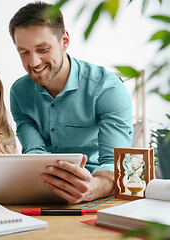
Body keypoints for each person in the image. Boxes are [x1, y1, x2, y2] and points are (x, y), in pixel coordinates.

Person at [9, 2, 133, 203]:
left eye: (42, 49)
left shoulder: (107, 89)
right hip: (42, 194)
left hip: (99, 195)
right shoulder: (19, 92)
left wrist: (91, 188)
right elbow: (34, 153)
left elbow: (115, 165)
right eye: (24, 52)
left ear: (64, 40)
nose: (33, 62)